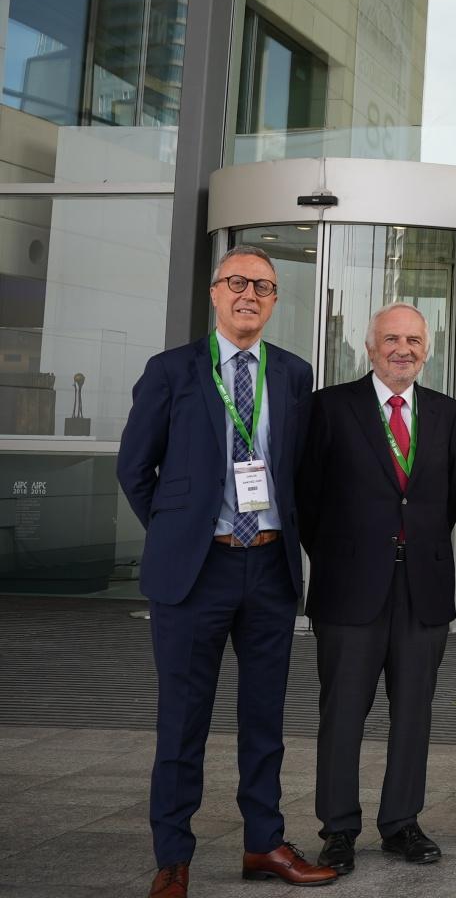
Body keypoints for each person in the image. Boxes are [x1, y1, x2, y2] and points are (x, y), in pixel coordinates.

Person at [117, 245, 337, 898]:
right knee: (181, 721)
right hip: (195, 574)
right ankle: (173, 858)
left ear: (274, 301)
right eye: (237, 282)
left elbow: (300, 474)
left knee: (264, 720)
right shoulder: (172, 371)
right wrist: (177, 532)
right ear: (215, 293)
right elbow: (135, 467)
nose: (249, 293)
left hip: (268, 569)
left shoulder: (294, 375)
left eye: (264, 286)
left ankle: (264, 843)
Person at [298, 303, 456, 872]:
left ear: (428, 349)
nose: (403, 349)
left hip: (422, 585)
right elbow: (308, 498)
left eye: (414, 340)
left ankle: (401, 823)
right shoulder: (330, 407)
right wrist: (344, 554)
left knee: (414, 711)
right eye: (391, 339)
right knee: (343, 711)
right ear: (369, 349)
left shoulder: (446, 412)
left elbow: (448, 500)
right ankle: (339, 828)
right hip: (350, 586)